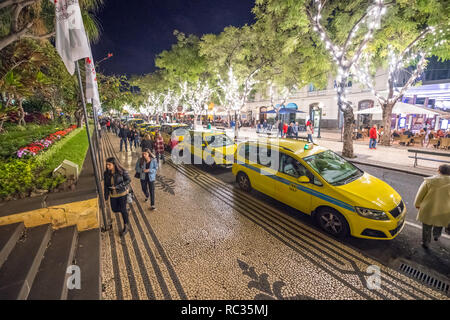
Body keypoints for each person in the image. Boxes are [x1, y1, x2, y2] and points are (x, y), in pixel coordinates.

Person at [414, 164, 450, 249]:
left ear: (438, 171)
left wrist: (417, 204)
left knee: (426, 226)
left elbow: (420, 194)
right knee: (439, 223)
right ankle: (436, 235)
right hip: (444, 209)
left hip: (428, 208)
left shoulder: (429, 181)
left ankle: (426, 242)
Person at [104, 157, 131, 237]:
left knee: (122, 209)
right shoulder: (106, 173)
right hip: (113, 195)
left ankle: (126, 225)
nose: (107, 166)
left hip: (122, 194)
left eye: (109, 165)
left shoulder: (122, 171)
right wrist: (106, 197)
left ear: (114, 164)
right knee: (114, 209)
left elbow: (128, 180)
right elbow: (106, 186)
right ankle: (125, 211)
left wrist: (118, 187)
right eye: (107, 165)